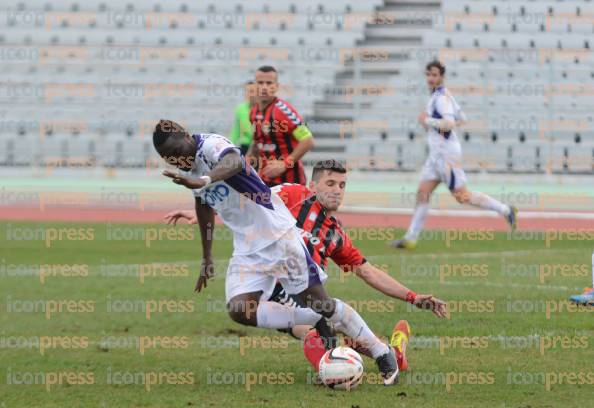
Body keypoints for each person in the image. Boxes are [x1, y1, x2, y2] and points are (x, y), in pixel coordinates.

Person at [153, 120, 402, 385]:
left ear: (187, 136)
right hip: (247, 246)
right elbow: (203, 205)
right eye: (172, 159)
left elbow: (235, 161)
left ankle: (381, 352)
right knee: (240, 309)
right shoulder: (189, 168)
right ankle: (319, 318)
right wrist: (207, 257)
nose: (179, 161)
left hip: (277, 235)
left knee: (321, 301)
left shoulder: (211, 146)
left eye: (180, 152)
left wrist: (203, 178)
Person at [164, 160, 447, 373]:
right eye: (331, 184)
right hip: (266, 285)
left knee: (323, 330)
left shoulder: (336, 234)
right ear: (313, 185)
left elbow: (367, 271)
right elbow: (249, 206)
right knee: (312, 329)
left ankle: (384, 354)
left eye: (343, 185)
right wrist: (201, 212)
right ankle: (347, 364)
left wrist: (413, 297)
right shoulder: (291, 194)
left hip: (303, 296)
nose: (338, 191)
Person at [391, 61, 518, 249]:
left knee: (462, 196)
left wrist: (428, 121)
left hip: (446, 155)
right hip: (436, 155)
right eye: (428, 75)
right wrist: (434, 124)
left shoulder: (441, 98)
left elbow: (450, 123)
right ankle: (411, 238)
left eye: (434, 75)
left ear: (442, 76)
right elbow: (463, 119)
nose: (430, 78)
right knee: (423, 194)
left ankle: (506, 210)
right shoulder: (441, 95)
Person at [248, 65, 314, 186]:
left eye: (269, 83)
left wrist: (285, 164)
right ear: (254, 86)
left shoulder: (284, 110)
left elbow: (308, 140)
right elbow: (257, 143)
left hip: (290, 181)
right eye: (260, 83)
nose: (264, 87)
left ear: (276, 86)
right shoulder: (253, 112)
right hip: (265, 180)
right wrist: (246, 165)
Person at [229, 81, 256, 155]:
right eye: (247, 91)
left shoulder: (263, 109)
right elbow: (236, 130)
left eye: (252, 91)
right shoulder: (240, 109)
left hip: (259, 147)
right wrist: (229, 146)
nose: (250, 94)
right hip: (245, 146)